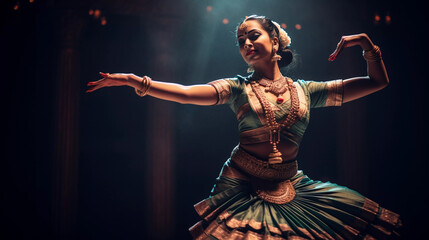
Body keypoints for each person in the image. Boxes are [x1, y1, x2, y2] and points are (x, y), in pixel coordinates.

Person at [87, 15, 401, 240]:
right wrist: (136, 82)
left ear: (274, 41)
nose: (247, 43)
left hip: (290, 184)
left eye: (253, 36)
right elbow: (184, 93)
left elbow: (377, 81)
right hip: (242, 186)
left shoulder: (307, 91)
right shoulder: (238, 88)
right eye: (241, 41)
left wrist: (368, 47)